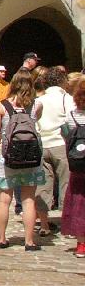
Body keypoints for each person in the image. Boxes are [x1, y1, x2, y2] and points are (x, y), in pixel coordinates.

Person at [0, 69, 45, 250]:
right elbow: (36, 122)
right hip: (31, 158)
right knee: (29, 199)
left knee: (4, 199)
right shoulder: (36, 104)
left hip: (9, 158)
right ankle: (29, 241)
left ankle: (2, 239)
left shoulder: (1, 106)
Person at [35, 67, 75, 236]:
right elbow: (72, 121)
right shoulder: (66, 98)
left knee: (43, 185)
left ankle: (44, 224)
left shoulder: (39, 100)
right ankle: (68, 223)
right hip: (61, 144)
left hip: (43, 144)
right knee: (67, 184)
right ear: (62, 81)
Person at [61, 78, 85, 258]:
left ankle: (81, 244)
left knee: (78, 202)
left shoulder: (72, 114)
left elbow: (67, 139)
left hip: (79, 164)